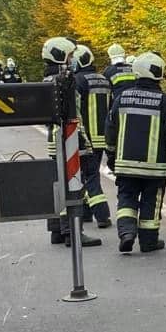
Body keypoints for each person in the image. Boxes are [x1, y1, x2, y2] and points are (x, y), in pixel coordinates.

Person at [104, 52, 166, 253]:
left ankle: (127, 233)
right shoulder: (165, 102)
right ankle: (148, 242)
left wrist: (111, 156)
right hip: (154, 168)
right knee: (151, 201)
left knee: (126, 199)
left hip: (125, 165)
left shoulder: (121, 98)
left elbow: (111, 129)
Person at [42, 36, 101, 248]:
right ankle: (72, 232)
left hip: (54, 141)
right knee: (73, 186)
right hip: (70, 140)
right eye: (69, 56)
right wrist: (85, 143)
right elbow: (74, 117)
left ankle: (57, 230)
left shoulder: (46, 80)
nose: (71, 60)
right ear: (60, 57)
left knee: (57, 184)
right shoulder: (66, 81)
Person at [71, 44, 112, 228]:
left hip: (85, 137)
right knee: (88, 174)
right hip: (102, 137)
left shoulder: (78, 80)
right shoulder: (104, 80)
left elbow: (76, 110)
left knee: (87, 176)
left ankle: (102, 214)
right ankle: (85, 213)